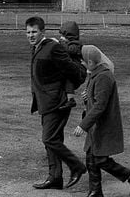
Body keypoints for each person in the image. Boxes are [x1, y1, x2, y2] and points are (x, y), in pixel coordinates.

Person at [25, 16, 87, 190]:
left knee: (49, 138)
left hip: (57, 102)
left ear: (42, 32)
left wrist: (67, 92)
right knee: (52, 139)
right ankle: (55, 178)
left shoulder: (53, 48)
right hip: (45, 102)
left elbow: (74, 71)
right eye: (28, 32)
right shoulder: (37, 48)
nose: (31, 35)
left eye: (34, 32)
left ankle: (76, 166)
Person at [73, 45, 130, 197]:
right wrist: (88, 97)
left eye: (84, 61)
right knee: (91, 159)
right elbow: (96, 100)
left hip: (102, 126)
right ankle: (95, 191)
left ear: (91, 62)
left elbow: (100, 106)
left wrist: (83, 125)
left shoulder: (103, 77)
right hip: (97, 126)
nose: (82, 64)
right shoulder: (96, 74)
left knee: (100, 159)